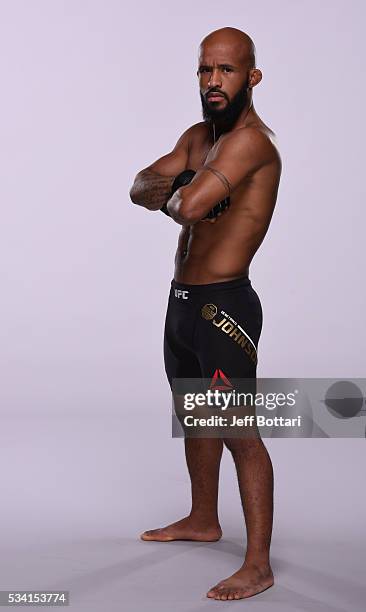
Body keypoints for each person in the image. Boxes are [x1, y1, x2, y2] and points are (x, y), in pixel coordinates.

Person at [129, 26, 282, 601]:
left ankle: (259, 564)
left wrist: (181, 188)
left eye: (226, 70)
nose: (213, 81)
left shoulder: (252, 143)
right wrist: (180, 186)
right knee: (196, 416)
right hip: (182, 303)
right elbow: (140, 185)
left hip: (224, 308)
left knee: (240, 431)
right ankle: (202, 519)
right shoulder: (198, 137)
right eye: (204, 70)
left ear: (252, 78)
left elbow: (185, 205)